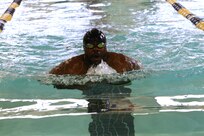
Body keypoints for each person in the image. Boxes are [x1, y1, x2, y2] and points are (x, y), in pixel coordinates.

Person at [49, 28, 141, 75]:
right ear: (84, 47)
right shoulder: (71, 66)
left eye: (100, 45)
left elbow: (142, 71)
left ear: (105, 47)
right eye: (90, 46)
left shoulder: (122, 62)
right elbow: (49, 78)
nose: (95, 49)